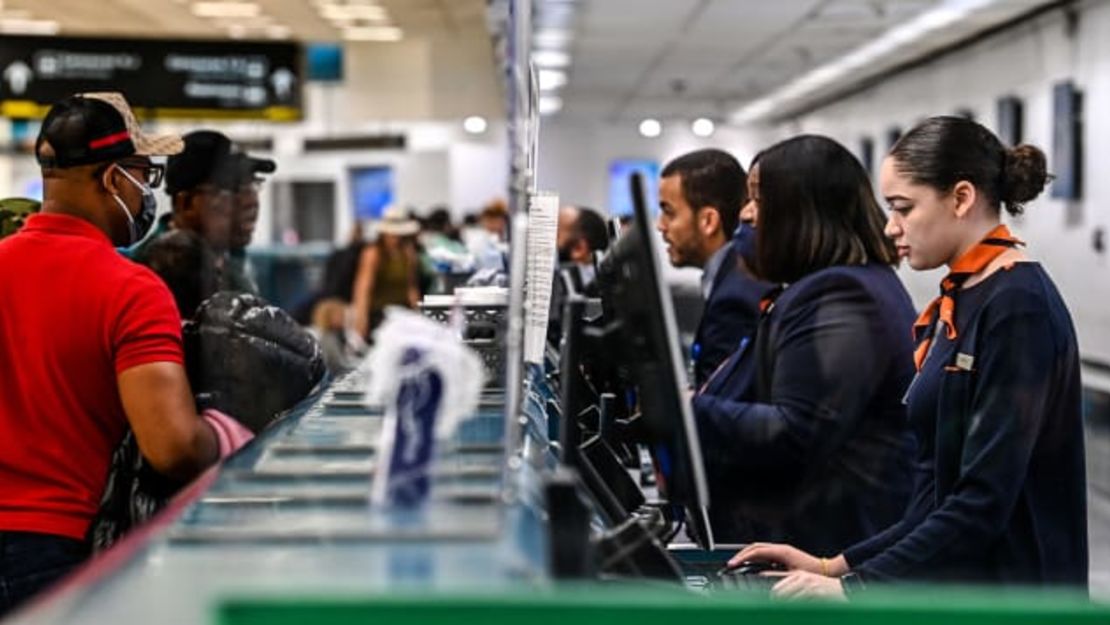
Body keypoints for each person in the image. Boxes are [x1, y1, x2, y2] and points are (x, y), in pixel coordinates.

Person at [732, 117, 1087, 597]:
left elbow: (982, 502)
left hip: (1012, 598)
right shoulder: (964, 297)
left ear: (961, 198)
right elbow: (935, 501)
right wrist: (832, 564)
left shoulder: (1017, 307)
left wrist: (856, 587)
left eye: (903, 208)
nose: (889, 226)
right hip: (961, 590)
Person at [0, 92, 220, 614]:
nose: (148, 192)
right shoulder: (129, 290)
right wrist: (230, 429)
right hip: (55, 550)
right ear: (112, 178)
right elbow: (173, 448)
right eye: (144, 174)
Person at [693, 135, 915, 555]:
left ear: (803, 210)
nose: (744, 214)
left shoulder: (843, 295)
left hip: (831, 557)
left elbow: (797, 431)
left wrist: (689, 409)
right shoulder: (829, 287)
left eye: (758, 199)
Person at [656, 148, 770, 387]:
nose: (660, 225)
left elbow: (716, 404)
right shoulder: (733, 277)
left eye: (669, 212)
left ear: (708, 221)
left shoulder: (735, 297)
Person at [352, 207, 422, 339]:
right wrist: (361, 319)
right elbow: (363, 289)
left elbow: (411, 286)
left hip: (402, 313)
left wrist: (417, 313)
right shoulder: (373, 254)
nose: (395, 238)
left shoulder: (408, 253)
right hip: (379, 313)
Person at [224, 150, 276, 296]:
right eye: (240, 189)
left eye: (255, 185)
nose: (253, 201)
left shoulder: (235, 256)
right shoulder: (169, 262)